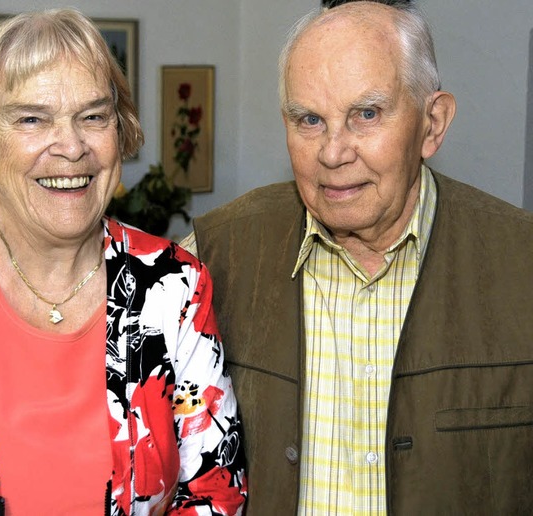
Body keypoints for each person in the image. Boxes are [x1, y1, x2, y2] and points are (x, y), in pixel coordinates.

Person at [181, 1, 533, 514]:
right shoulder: (212, 256)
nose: (332, 152)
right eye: (309, 120)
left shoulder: (520, 264)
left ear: (433, 124)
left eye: (366, 114)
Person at [0, 9, 246, 515]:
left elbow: (216, 488)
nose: (73, 146)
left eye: (93, 116)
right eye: (33, 119)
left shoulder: (173, 285)